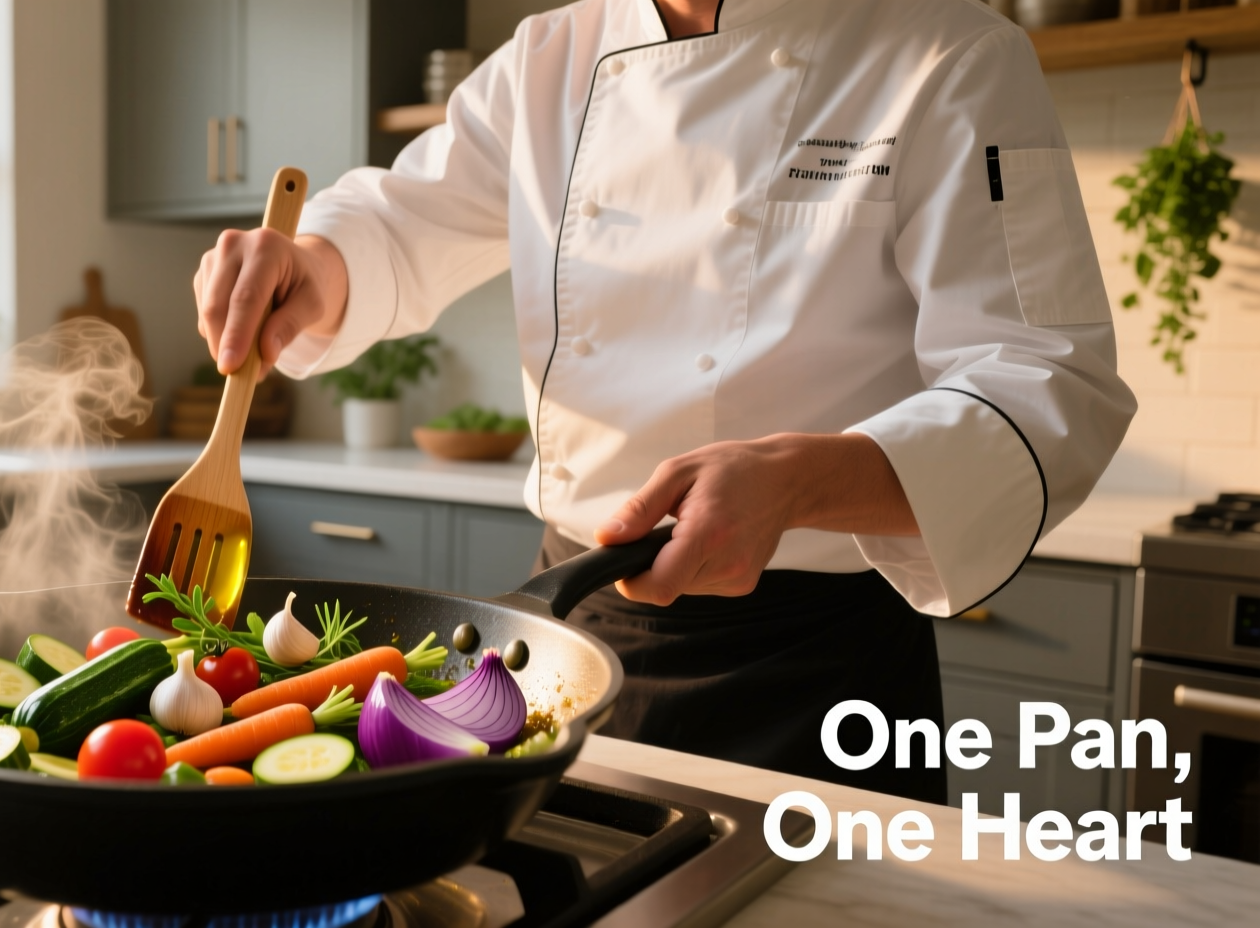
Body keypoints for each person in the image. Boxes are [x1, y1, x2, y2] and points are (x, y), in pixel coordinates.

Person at [191, 0, 1136, 802]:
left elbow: (1050, 381)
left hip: (815, 664)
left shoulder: (950, 51)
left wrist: (801, 482)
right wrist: (312, 262)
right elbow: (399, 225)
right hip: (568, 632)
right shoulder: (552, 55)